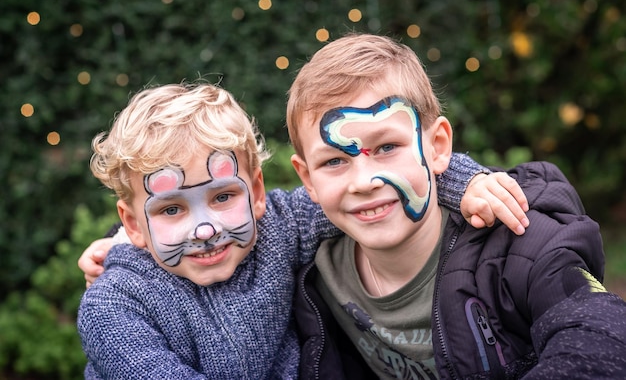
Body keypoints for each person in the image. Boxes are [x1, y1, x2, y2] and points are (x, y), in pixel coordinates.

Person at [77, 81, 530, 379]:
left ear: (256, 192)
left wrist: (463, 182)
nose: (204, 229)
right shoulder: (113, 306)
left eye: (221, 197)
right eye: (172, 209)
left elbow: (365, 191)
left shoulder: (276, 228)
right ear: (134, 224)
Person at [286, 33, 626, 379]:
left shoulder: (520, 244)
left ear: (438, 147)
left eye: (387, 147)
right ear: (308, 178)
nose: (364, 181)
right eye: (334, 162)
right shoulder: (317, 272)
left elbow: (603, 337)